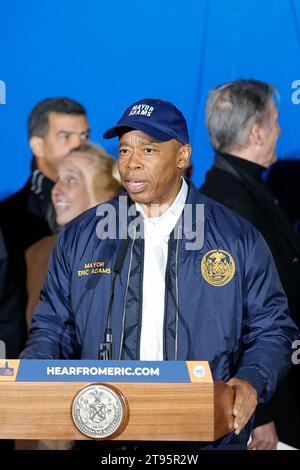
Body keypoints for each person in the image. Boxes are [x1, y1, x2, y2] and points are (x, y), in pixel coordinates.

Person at [20, 98, 299, 451]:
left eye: (148, 149)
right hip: (109, 437)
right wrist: (32, 377)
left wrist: (251, 381)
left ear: (182, 156)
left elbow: (273, 327)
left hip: (204, 437)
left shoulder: (235, 237)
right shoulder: (82, 236)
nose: (131, 163)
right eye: (124, 150)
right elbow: (52, 326)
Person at [200, 79, 300, 449]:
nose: (280, 130)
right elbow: (234, 320)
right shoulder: (229, 205)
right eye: (275, 121)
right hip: (264, 395)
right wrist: (263, 414)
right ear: (257, 132)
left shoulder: (242, 188)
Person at [0, 97, 90, 358]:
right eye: (65, 136)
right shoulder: (8, 219)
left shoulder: (114, 212)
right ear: (37, 145)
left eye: (84, 135)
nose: (78, 144)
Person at [25, 142, 121, 329]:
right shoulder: (38, 253)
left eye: (70, 180)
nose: (55, 190)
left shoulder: (131, 251)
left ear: (105, 194)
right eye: (57, 180)